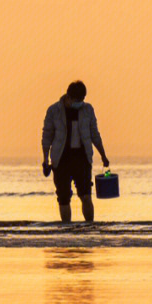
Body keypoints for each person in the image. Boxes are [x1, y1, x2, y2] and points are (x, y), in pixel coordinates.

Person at [41, 81, 109, 223]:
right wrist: (45, 159)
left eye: (82, 100)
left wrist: (103, 155)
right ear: (68, 96)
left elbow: (94, 134)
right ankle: (67, 230)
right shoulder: (54, 111)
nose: (80, 103)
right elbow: (47, 136)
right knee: (64, 198)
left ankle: (89, 227)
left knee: (86, 195)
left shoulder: (88, 109)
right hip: (61, 159)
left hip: (82, 158)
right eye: (77, 100)